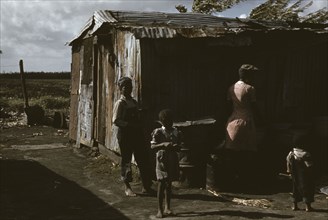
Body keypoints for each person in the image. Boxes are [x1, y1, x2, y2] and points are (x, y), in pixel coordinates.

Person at [112, 76, 153, 197]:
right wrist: (130, 125)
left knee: (143, 159)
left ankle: (146, 186)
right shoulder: (120, 103)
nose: (128, 89)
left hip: (137, 134)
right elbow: (116, 120)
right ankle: (127, 187)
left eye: (130, 87)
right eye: (125, 87)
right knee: (126, 161)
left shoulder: (134, 102)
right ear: (121, 89)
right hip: (125, 135)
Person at [224, 64, 262, 189]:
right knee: (246, 153)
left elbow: (228, 106)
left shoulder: (231, 88)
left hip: (232, 121)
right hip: (246, 122)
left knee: (233, 153)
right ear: (248, 76)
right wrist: (263, 119)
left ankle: (232, 180)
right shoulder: (250, 88)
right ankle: (245, 181)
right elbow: (254, 107)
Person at [151, 109, 182, 218]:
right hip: (161, 160)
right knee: (161, 183)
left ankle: (167, 207)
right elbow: (153, 146)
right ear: (162, 122)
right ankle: (159, 209)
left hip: (172, 159)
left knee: (169, 184)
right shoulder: (158, 132)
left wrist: (176, 147)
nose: (170, 123)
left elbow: (179, 146)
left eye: (171, 121)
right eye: (167, 121)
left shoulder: (176, 131)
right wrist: (163, 144)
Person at [286, 134, 315, 212]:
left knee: (295, 189)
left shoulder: (291, 153)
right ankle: (308, 207)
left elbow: (288, 162)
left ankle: (295, 206)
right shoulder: (306, 154)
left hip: (295, 175)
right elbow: (309, 165)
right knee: (306, 189)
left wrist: (289, 171)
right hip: (305, 176)